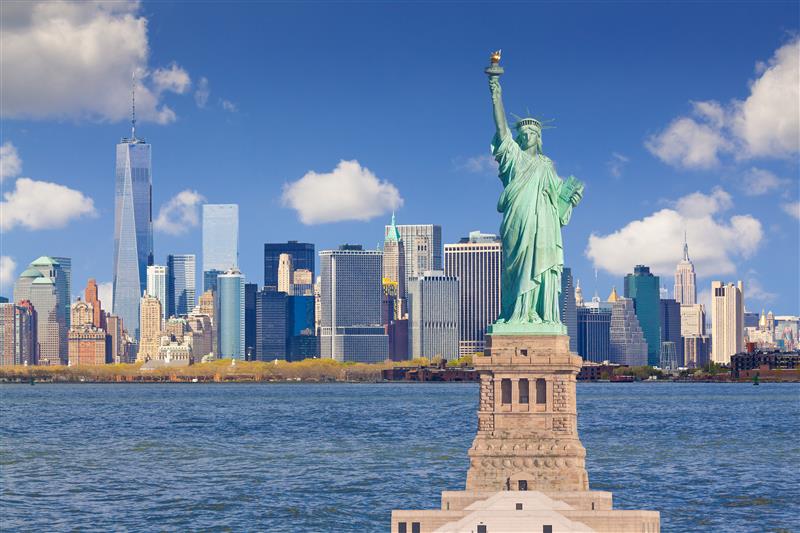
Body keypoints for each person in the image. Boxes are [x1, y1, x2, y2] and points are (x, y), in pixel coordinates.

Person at [488, 75, 583, 326]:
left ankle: (538, 313)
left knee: (541, 262)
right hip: (518, 219)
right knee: (518, 265)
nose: (527, 135)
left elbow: (559, 200)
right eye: (524, 133)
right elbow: (501, 129)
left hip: (544, 223)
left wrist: (571, 198)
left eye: (532, 132)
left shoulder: (546, 164)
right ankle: (517, 312)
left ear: (539, 137)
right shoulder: (513, 157)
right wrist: (495, 92)